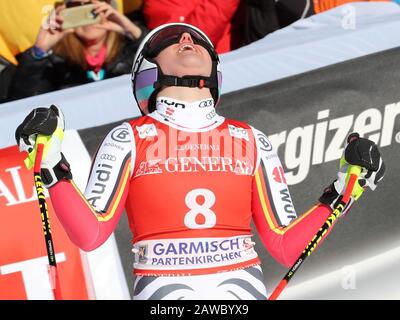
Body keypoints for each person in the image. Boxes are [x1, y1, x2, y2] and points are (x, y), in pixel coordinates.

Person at [15, 23, 385, 300]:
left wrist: (344, 190)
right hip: (165, 289)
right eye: (168, 41)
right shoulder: (130, 137)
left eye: (197, 40)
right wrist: (50, 164)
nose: (187, 41)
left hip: (240, 289)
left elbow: (286, 246)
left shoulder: (249, 139)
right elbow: (90, 234)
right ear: (147, 71)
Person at [9, 0, 147, 100]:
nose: (88, 17)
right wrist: (38, 52)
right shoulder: (54, 60)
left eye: (94, 8)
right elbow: (22, 103)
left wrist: (134, 32)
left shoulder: (132, 48)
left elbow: (160, 70)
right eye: (77, 9)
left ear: (109, 9)